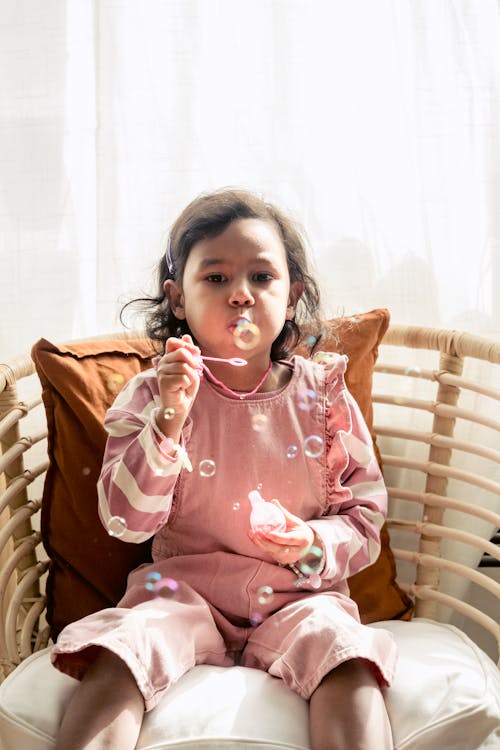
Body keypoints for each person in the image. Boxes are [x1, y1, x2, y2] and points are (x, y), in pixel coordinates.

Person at [53, 188, 397, 750]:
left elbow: (363, 523)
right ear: (178, 298)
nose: (240, 295)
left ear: (292, 299)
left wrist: (310, 541)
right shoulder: (153, 395)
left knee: (347, 659)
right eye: (215, 279)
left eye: (262, 278)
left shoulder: (325, 398)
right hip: (181, 593)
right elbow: (125, 521)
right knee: (123, 649)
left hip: (301, 598)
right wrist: (167, 422)